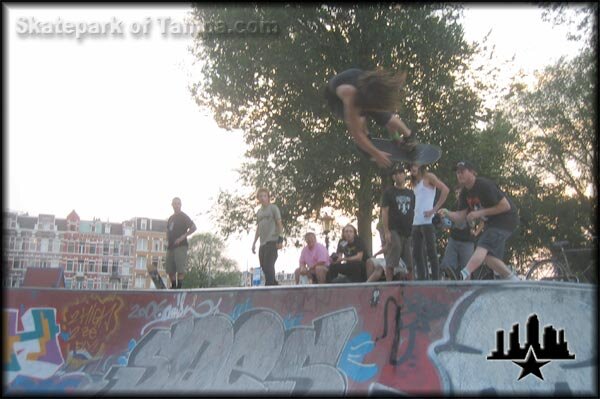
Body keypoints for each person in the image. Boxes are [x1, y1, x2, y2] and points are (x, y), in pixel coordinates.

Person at [439, 161, 520, 281]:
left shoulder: (484, 185)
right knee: (487, 257)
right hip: (492, 223)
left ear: (472, 172)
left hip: (506, 219)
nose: (459, 174)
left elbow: (505, 206)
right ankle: (513, 279)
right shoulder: (464, 193)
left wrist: (479, 213)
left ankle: (463, 274)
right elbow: (460, 217)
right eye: (457, 172)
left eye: (462, 171)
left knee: (483, 244)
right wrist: (446, 213)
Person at [325, 68, 417, 168]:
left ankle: (409, 136)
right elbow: (356, 134)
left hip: (363, 87)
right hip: (335, 99)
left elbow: (387, 117)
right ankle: (367, 136)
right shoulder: (350, 95)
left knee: (386, 116)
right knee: (359, 120)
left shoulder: (374, 89)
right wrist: (376, 154)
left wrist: (395, 136)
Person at [409, 162, 449, 280]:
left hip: (427, 221)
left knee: (431, 251)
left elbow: (445, 190)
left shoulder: (429, 177)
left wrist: (434, 210)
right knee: (416, 253)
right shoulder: (414, 182)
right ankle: (422, 279)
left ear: (420, 166)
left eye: (415, 166)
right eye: (410, 167)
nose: (412, 169)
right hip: (416, 221)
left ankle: (436, 279)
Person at [380, 163, 415, 281]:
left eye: (400, 173)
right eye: (395, 174)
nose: (398, 176)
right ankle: (389, 283)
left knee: (410, 261)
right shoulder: (389, 192)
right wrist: (386, 231)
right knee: (393, 255)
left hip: (408, 230)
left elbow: (413, 211)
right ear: (393, 177)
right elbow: (384, 211)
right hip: (394, 229)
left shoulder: (411, 193)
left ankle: (411, 285)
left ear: (405, 175)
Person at [438, 186, 476, 277]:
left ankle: (466, 289)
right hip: (454, 239)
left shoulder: (470, 206)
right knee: (447, 266)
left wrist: (470, 222)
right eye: (456, 193)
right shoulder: (454, 206)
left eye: (460, 193)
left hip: (467, 241)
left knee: (466, 269)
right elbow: (448, 224)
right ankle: (448, 286)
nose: (458, 195)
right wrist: (442, 221)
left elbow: (473, 224)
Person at [252, 188, 284, 286]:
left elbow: (279, 223)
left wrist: (280, 238)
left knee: (269, 266)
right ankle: (274, 283)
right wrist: (254, 243)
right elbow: (258, 228)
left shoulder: (273, 208)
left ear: (268, 197)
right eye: (260, 196)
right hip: (262, 243)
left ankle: (269, 287)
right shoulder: (259, 212)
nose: (262, 198)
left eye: (264, 196)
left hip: (272, 241)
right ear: (258, 198)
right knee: (264, 267)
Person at [165, 197, 197, 289]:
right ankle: (173, 286)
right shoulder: (171, 218)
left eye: (178, 203)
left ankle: (179, 287)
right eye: (175, 203)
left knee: (180, 268)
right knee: (170, 269)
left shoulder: (184, 217)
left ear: (181, 205)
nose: (176, 205)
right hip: (171, 246)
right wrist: (167, 237)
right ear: (172, 205)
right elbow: (168, 229)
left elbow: (194, 227)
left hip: (181, 246)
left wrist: (183, 237)